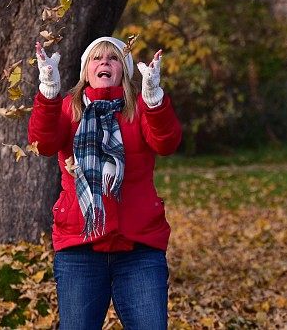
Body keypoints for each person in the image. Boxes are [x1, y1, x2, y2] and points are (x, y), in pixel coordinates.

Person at [28, 36, 182, 330]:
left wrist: (154, 99)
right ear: (86, 70)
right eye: (97, 59)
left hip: (138, 247)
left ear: (123, 70)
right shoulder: (67, 110)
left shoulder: (139, 109)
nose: (104, 63)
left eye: (112, 59)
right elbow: (42, 143)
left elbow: (167, 143)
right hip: (79, 247)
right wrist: (48, 93)